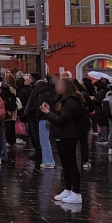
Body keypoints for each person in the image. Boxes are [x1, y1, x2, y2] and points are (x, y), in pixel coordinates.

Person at [42, 77, 88, 205]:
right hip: (64, 134)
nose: (57, 87)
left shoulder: (70, 101)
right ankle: (68, 189)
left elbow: (63, 119)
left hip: (69, 135)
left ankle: (76, 193)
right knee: (65, 164)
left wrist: (48, 114)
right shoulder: (63, 99)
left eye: (60, 85)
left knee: (71, 164)